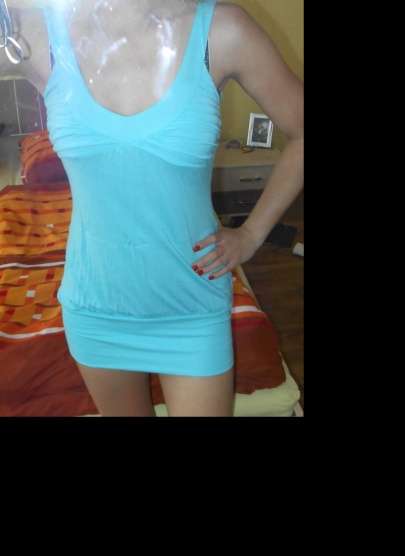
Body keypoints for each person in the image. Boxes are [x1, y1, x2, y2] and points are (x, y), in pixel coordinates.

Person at [0, 0, 304, 417]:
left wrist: (251, 234)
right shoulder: (32, 31)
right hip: (95, 308)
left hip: (193, 309)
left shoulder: (221, 30)